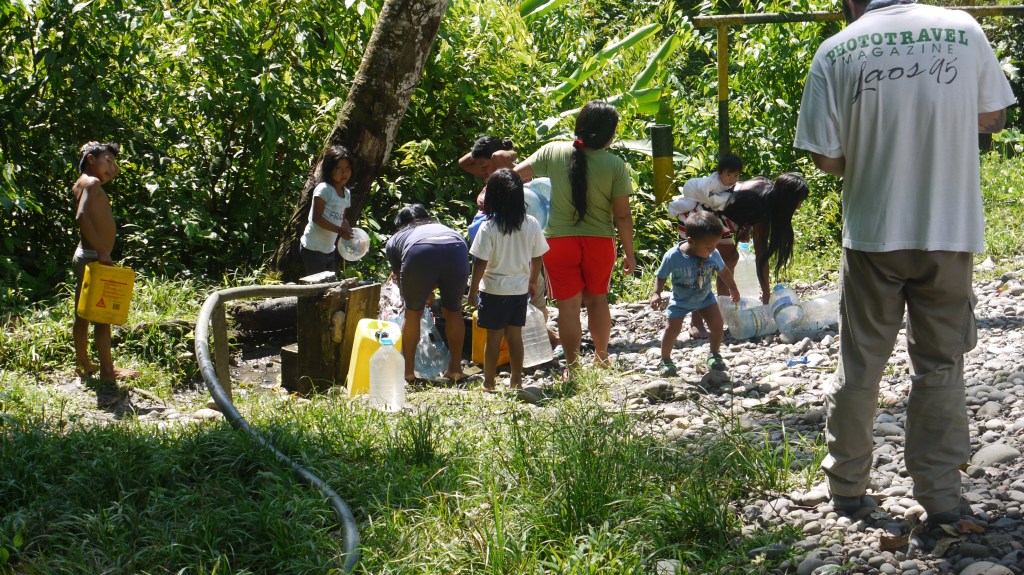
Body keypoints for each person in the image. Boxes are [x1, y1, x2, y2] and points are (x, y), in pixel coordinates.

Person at [793, 0, 1016, 527]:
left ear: (852, 2)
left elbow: (825, 157)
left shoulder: (835, 50)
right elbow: (994, 116)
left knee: (861, 364)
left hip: (873, 234)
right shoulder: (963, 28)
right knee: (940, 364)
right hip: (949, 230)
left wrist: (873, 151)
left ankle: (847, 486)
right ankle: (940, 498)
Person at [514, 100, 636, 374]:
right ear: (609, 134)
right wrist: (629, 253)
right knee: (597, 300)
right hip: (600, 243)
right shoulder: (615, 164)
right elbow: (622, 216)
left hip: (558, 243)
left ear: (580, 125)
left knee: (567, 308)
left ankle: (572, 368)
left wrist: (491, 195)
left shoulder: (553, 151)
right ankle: (602, 358)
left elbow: (513, 176)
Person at [669, 172, 810, 337]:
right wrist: (766, 296)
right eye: (799, 201)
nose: (800, 206)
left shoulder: (764, 190)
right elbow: (761, 253)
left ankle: (721, 313)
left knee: (730, 258)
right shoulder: (761, 205)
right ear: (788, 200)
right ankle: (696, 322)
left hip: (717, 219)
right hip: (696, 215)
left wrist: (743, 228)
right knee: (700, 267)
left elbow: (736, 209)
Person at [461, 135, 560, 349]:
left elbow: (537, 254)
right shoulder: (494, 178)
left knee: (532, 305)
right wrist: (488, 149)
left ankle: (544, 343)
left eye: (485, 166)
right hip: (498, 256)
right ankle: (542, 342)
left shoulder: (516, 179)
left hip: (519, 256)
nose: (482, 171)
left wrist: (505, 155)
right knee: (513, 312)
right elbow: (464, 162)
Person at [467, 169, 549, 391]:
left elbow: (480, 262)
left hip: (493, 290)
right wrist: (532, 281)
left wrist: (472, 291)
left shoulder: (489, 227)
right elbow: (537, 256)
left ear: (492, 197)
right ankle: (516, 381)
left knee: (493, 338)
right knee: (515, 337)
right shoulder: (531, 223)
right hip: (519, 291)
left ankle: (489, 382)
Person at [72, 141, 138, 382]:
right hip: (94, 256)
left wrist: (108, 158)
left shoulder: (82, 182)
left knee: (82, 313)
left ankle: (83, 363)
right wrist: (102, 251)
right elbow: (81, 217)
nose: (114, 168)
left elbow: (114, 171)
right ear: (91, 159)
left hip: (85, 255)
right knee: (102, 317)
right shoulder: (92, 183)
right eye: (108, 161)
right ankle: (108, 372)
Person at [385, 203, 472, 384]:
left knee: (413, 314)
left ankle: (408, 373)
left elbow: (402, 278)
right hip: (457, 247)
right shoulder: (441, 227)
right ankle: (455, 369)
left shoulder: (395, 239)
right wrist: (429, 290)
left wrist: (419, 297)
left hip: (418, 251)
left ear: (400, 224)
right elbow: (440, 257)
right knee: (453, 312)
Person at [650, 211, 740, 376]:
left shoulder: (713, 254)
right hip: (680, 301)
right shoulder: (673, 256)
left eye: (715, 246)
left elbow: (724, 272)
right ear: (690, 241)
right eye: (708, 247)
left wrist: (733, 288)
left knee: (717, 325)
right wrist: (657, 293)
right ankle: (665, 359)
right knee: (672, 330)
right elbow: (661, 275)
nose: (712, 250)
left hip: (705, 298)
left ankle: (714, 354)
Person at [299, 145, 354, 275]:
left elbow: (341, 218)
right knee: (318, 284)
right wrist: (340, 231)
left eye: (347, 168)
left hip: (329, 249)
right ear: (329, 169)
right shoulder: (324, 189)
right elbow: (317, 219)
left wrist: (350, 233)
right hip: (313, 248)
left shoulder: (346, 193)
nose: (344, 173)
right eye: (339, 169)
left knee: (329, 283)